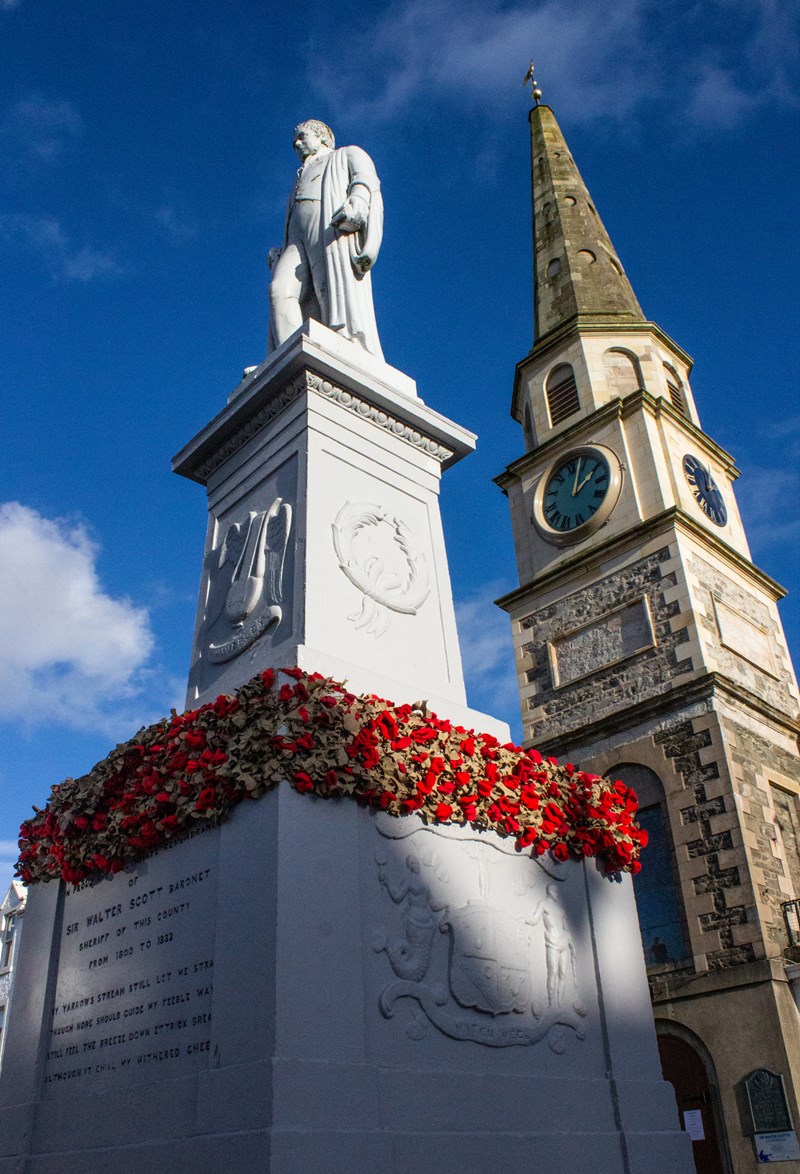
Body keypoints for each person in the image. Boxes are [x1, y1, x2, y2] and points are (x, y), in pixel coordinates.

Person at [268, 120, 384, 359]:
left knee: (327, 287)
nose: (298, 145)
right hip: (296, 239)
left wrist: (358, 204)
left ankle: (340, 335)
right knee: (279, 290)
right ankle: (286, 355)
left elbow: (366, 180)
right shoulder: (298, 178)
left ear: (322, 137)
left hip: (329, 225)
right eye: (295, 143)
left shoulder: (347, 154)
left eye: (303, 137)